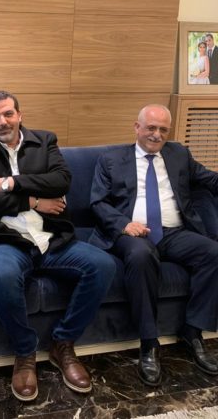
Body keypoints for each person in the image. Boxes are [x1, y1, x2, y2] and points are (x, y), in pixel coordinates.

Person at [0, 90, 116, 401]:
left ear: (19, 115)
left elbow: (61, 181)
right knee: (3, 275)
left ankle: (63, 344)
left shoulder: (45, 140)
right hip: (4, 240)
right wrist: (32, 201)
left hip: (51, 238)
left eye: (8, 114)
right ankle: (24, 352)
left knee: (103, 265)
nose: (2, 121)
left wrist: (11, 183)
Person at [89, 104, 218, 387]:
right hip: (131, 233)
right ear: (137, 127)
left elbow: (209, 179)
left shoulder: (179, 154)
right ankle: (149, 343)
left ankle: (193, 331)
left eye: (163, 130)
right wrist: (124, 224)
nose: (156, 135)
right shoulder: (111, 159)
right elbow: (97, 202)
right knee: (141, 255)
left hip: (174, 232)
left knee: (213, 253)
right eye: (151, 128)